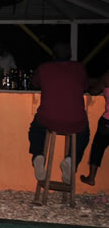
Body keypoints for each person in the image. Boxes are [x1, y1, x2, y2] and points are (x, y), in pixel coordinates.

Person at [28, 43, 90, 184]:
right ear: (70, 55)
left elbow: (34, 83)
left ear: (53, 55)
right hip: (76, 121)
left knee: (36, 130)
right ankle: (70, 160)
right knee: (84, 134)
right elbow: (86, 86)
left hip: (48, 119)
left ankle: (38, 156)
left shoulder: (44, 68)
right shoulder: (80, 68)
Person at [80, 69, 109, 186]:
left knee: (98, 148)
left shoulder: (107, 76)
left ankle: (91, 178)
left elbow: (94, 91)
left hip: (108, 122)